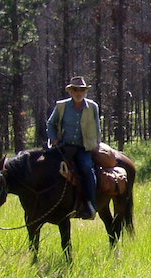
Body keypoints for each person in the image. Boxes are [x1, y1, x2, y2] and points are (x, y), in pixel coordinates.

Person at [46, 76, 101, 219]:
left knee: (87, 168)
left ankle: (91, 205)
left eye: (82, 90)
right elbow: (51, 124)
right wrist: (54, 139)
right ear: (71, 91)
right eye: (76, 90)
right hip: (64, 147)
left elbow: (97, 128)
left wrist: (96, 145)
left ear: (85, 92)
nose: (79, 93)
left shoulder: (92, 107)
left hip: (83, 148)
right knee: (47, 167)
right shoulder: (61, 106)